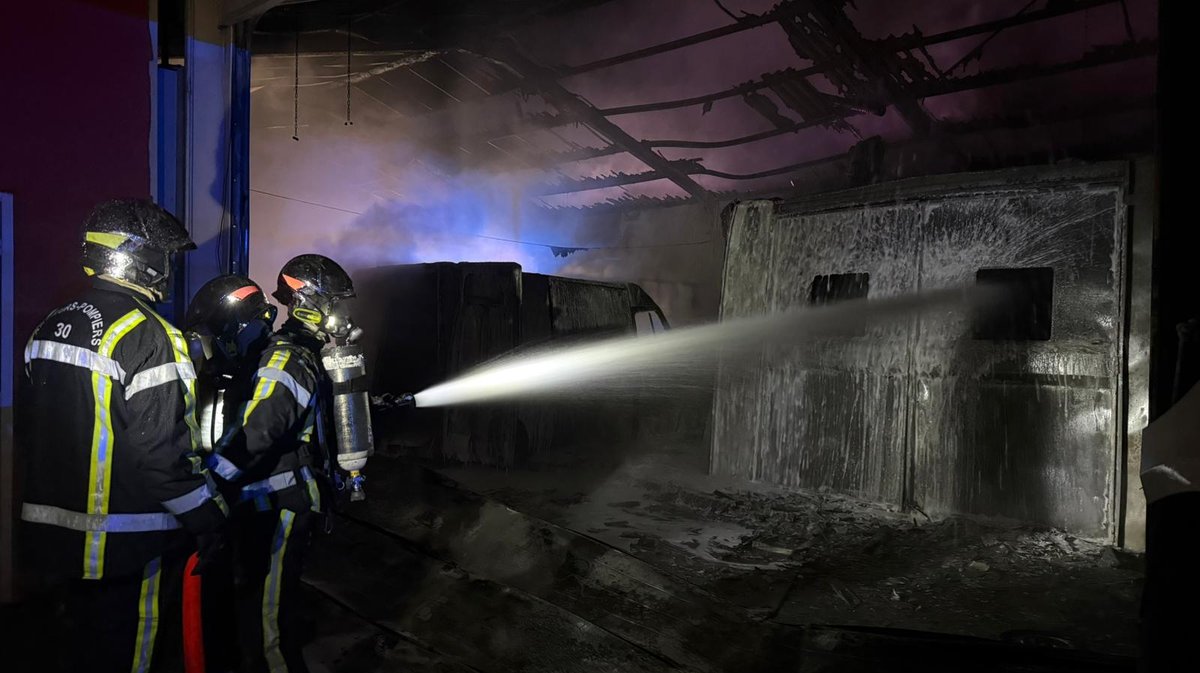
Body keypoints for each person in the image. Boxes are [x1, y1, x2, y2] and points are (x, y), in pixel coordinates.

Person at [20, 198, 228, 672]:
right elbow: (165, 456)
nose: (169, 268)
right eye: (166, 256)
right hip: (130, 544)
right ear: (142, 258)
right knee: (131, 653)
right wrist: (208, 517)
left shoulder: (50, 325)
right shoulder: (152, 335)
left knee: (76, 649)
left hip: (57, 541)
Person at [208, 254, 357, 673]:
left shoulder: (303, 353)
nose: (343, 312)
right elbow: (260, 431)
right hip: (277, 506)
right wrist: (210, 488)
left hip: (280, 505)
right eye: (338, 302)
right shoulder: (288, 357)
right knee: (268, 623)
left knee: (268, 616)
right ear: (310, 300)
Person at [183, 274, 278, 673]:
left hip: (254, 507)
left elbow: (258, 441)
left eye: (211, 336)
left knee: (252, 609)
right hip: (217, 506)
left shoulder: (267, 374)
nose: (206, 347)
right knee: (214, 607)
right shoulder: (213, 375)